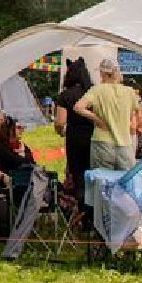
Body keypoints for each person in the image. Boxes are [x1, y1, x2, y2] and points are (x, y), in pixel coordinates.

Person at [74, 57, 139, 171]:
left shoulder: (97, 90)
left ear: (103, 73)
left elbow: (78, 107)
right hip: (125, 144)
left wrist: (97, 119)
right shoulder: (130, 92)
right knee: (125, 184)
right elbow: (133, 118)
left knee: (102, 182)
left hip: (102, 143)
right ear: (117, 72)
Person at [53, 57, 95, 201]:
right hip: (94, 137)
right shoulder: (94, 92)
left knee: (78, 175)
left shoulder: (66, 95)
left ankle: (81, 208)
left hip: (75, 139)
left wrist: (60, 131)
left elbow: (60, 122)